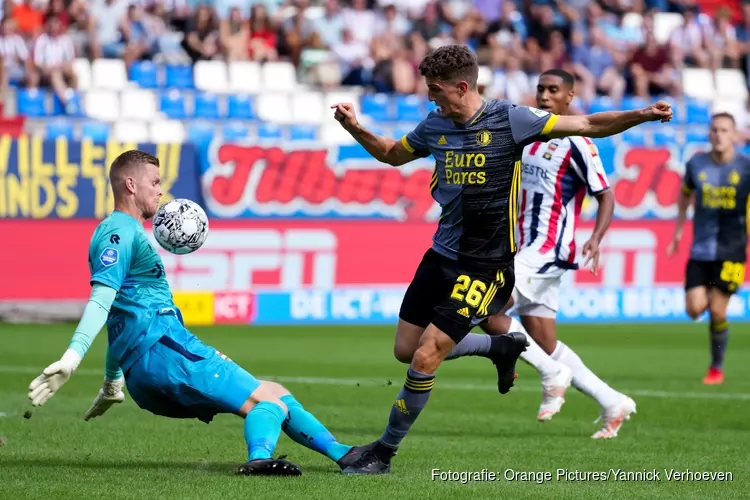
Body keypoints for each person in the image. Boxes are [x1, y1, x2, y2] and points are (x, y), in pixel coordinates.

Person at [330, 44, 672, 475]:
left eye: (436, 90)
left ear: (461, 86)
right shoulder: (436, 124)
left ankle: (384, 451)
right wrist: (353, 126)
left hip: (486, 264)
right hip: (440, 255)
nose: (431, 99)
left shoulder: (511, 119)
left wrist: (641, 113)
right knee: (405, 350)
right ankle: (500, 346)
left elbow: (585, 122)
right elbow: (389, 153)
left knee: (426, 356)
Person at [27, 150, 368, 476]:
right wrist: (72, 358)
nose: (161, 191)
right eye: (155, 182)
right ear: (131, 185)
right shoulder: (121, 233)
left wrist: (112, 380)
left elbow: (118, 315)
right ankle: (260, 460)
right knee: (269, 405)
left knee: (274, 390)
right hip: (164, 352)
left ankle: (345, 454)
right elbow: (101, 301)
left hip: (143, 372)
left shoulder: (112, 231)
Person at [478, 69, 636, 439]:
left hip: (546, 249)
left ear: (569, 97)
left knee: (486, 305)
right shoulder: (528, 135)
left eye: (553, 90)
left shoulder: (579, 142)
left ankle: (552, 375)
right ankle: (612, 401)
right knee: (545, 342)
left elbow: (605, 194)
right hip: (521, 247)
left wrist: (596, 237)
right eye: (540, 89)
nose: (545, 95)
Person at [667, 112, 750, 385]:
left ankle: (716, 367)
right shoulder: (696, 164)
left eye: (725, 130)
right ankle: (709, 302)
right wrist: (679, 229)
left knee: (717, 310)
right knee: (693, 309)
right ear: (708, 134)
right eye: (714, 130)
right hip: (700, 248)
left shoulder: (746, 167)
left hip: (734, 249)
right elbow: (685, 194)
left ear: (735, 135)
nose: (719, 135)